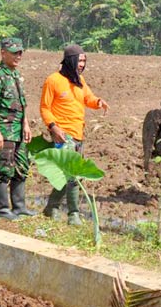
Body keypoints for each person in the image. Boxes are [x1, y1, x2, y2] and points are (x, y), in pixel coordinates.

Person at [39, 44, 109, 226]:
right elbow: (45, 108)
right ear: (70, 60)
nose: (82, 64)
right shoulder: (53, 80)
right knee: (72, 176)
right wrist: (53, 127)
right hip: (63, 134)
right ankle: (74, 214)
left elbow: (88, 98)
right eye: (80, 60)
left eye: (84, 61)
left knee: (66, 175)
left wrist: (98, 102)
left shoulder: (80, 81)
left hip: (78, 134)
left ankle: (51, 207)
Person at [0, 37, 34, 220]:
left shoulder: (17, 76)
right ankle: (3, 209)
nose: (18, 56)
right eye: (14, 53)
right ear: (3, 53)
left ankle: (19, 207)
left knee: (21, 167)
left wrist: (26, 126)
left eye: (20, 52)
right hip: (4, 130)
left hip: (18, 130)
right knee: (3, 169)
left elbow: (22, 105)